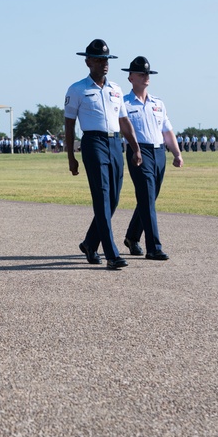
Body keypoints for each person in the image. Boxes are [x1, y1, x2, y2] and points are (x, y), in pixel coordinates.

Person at [64, 39, 141, 270]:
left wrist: (136, 147)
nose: (103, 63)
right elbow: (69, 124)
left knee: (113, 198)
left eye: (106, 59)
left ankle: (90, 243)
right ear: (88, 61)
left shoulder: (115, 89)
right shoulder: (77, 89)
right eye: (98, 59)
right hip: (93, 142)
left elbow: (124, 120)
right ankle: (111, 253)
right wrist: (71, 156)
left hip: (115, 143)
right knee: (102, 196)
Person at [119, 57, 183, 261]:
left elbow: (167, 131)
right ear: (131, 77)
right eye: (141, 73)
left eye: (147, 74)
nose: (146, 77)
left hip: (158, 152)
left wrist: (177, 153)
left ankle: (131, 237)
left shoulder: (158, 103)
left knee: (149, 198)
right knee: (147, 198)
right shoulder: (124, 103)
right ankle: (153, 247)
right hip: (138, 151)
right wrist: (135, 149)